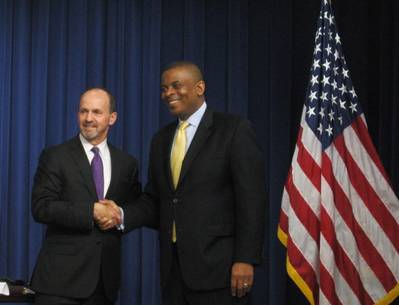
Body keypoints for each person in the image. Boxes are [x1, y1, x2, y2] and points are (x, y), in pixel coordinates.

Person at [122, 61, 267, 305]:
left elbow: (252, 199)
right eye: (164, 88)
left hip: (220, 269)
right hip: (174, 271)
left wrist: (245, 259)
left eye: (176, 86)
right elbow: (156, 200)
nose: (168, 93)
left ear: (200, 88)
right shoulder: (160, 140)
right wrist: (120, 215)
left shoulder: (233, 129)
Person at [30, 88, 141, 305]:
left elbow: (139, 207)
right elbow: (41, 207)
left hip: (104, 284)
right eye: (83, 111)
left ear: (112, 118)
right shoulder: (55, 156)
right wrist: (91, 211)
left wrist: (120, 215)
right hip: (59, 284)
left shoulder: (127, 163)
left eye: (96, 112)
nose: (88, 118)